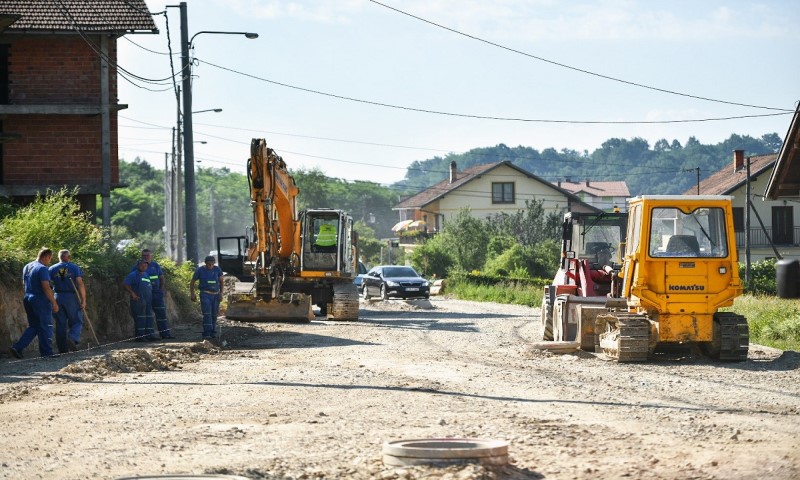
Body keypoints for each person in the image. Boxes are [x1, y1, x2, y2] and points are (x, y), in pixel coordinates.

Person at [10, 248, 59, 359]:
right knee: (46, 326)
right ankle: (47, 353)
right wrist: (54, 302)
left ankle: (17, 347)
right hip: (40, 300)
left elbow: (24, 283)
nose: (49, 261)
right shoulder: (42, 268)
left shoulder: (27, 266)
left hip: (28, 298)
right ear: (46, 256)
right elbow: (46, 287)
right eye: (50, 259)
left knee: (35, 326)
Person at [49, 249, 87, 353]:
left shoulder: (51, 268)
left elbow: (48, 285)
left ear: (59, 257)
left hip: (57, 296)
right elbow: (80, 284)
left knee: (60, 323)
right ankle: (72, 338)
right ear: (68, 257)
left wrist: (52, 300)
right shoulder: (74, 267)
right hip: (71, 297)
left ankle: (62, 349)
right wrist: (83, 300)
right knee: (77, 320)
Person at [138, 249, 174, 339]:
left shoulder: (155, 265)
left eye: (147, 255)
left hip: (156, 293)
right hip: (145, 295)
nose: (146, 257)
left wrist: (161, 289)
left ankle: (165, 334)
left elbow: (161, 278)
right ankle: (150, 335)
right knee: (148, 315)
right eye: (144, 255)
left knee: (161, 314)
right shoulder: (138, 266)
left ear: (151, 256)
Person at [123, 259, 158, 342]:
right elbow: (125, 284)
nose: (144, 266)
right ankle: (140, 337)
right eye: (142, 265)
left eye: (145, 265)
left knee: (149, 318)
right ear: (138, 266)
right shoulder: (133, 275)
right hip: (138, 300)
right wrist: (132, 293)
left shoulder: (146, 274)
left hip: (148, 300)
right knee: (140, 318)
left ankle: (150, 335)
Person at [190, 255, 224, 340]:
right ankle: (207, 332)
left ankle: (213, 332)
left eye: (212, 264)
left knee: (214, 314)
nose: (211, 266)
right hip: (205, 294)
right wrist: (192, 293)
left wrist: (221, 293)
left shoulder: (217, 269)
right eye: (209, 264)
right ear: (206, 263)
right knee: (207, 314)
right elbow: (193, 282)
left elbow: (221, 282)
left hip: (216, 295)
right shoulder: (200, 270)